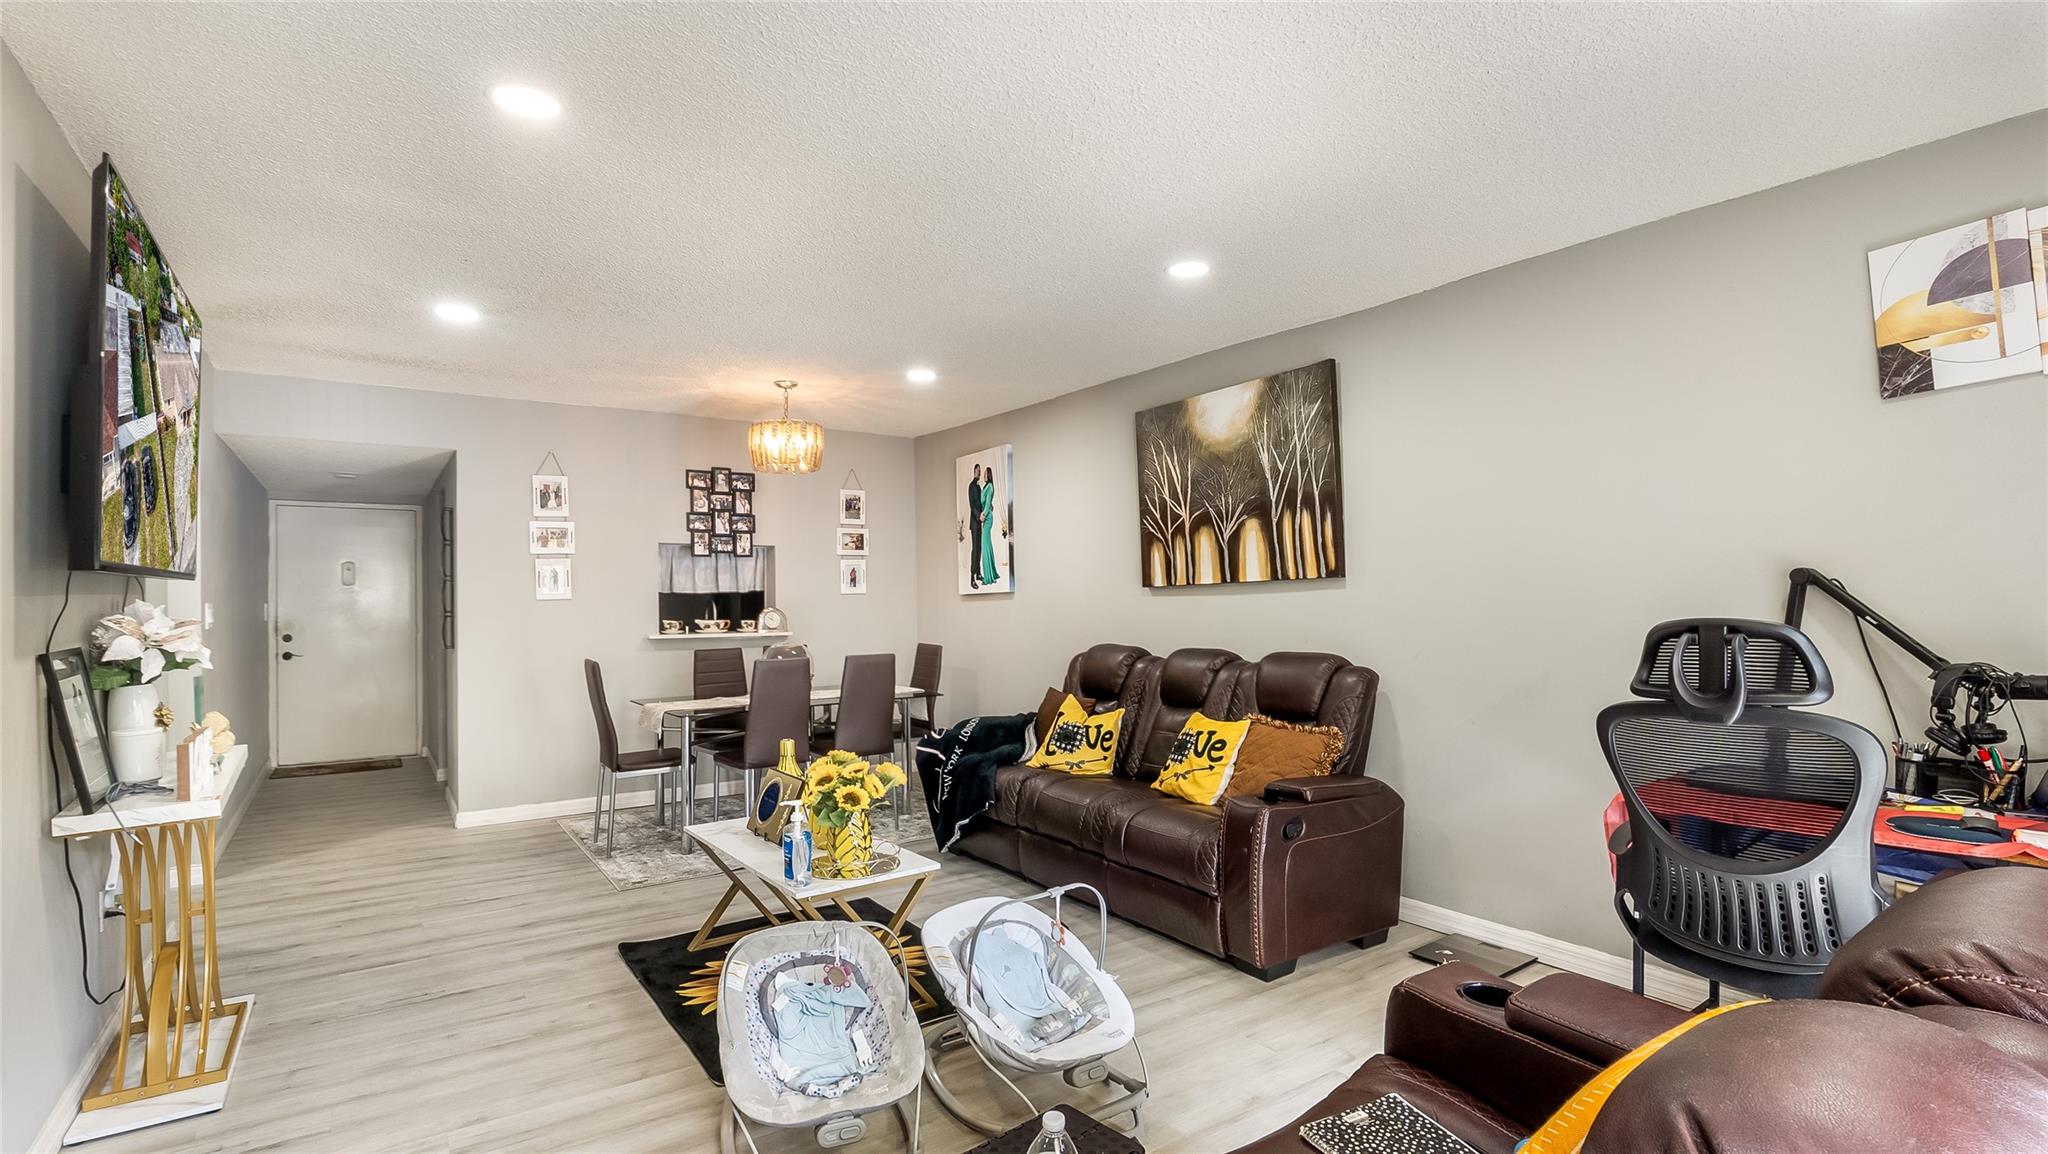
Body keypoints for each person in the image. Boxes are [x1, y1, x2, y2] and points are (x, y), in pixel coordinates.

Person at [979, 464, 1001, 588]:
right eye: (984, 474)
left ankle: (988, 578)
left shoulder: (990, 487)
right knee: (988, 545)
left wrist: (983, 514)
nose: (984, 475)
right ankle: (992, 573)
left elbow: (987, 504)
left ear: (990, 475)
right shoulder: (986, 486)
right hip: (987, 517)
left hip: (987, 519)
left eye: (986, 474)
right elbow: (989, 502)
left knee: (985, 547)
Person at [966, 465, 984, 588]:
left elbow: (981, 503)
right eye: (977, 471)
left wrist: (988, 507)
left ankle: (978, 573)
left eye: (980, 471)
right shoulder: (971, 486)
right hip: (974, 523)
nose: (979, 473)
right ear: (974, 472)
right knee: (975, 550)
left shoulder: (978, 487)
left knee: (979, 549)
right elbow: (972, 506)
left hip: (979, 523)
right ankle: (972, 578)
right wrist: (979, 516)